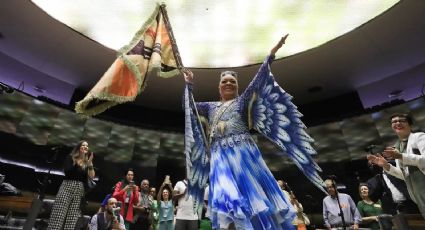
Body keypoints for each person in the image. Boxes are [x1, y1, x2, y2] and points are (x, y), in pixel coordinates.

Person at [183, 34, 324, 229]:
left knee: (252, 199)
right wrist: (189, 85)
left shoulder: (241, 102)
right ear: (219, 87)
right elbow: (188, 107)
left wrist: (271, 55)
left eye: (232, 81)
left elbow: (258, 80)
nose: (229, 83)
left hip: (243, 154)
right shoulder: (209, 106)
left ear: (237, 86)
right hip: (219, 156)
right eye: (225, 81)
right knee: (227, 199)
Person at [367, 113, 425, 218]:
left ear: (409, 124)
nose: (397, 123)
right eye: (394, 122)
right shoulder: (397, 146)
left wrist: (400, 156)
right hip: (418, 196)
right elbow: (404, 175)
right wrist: (386, 165)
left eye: (401, 120)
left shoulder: (420, 137)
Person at [47, 140, 95, 230]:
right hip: (67, 187)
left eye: (87, 146)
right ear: (78, 147)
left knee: (71, 220)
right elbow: (67, 171)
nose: (85, 147)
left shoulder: (87, 162)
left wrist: (90, 165)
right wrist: (78, 162)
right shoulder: (71, 158)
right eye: (83, 145)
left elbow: (92, 177)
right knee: (58, 216)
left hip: (79, 191)